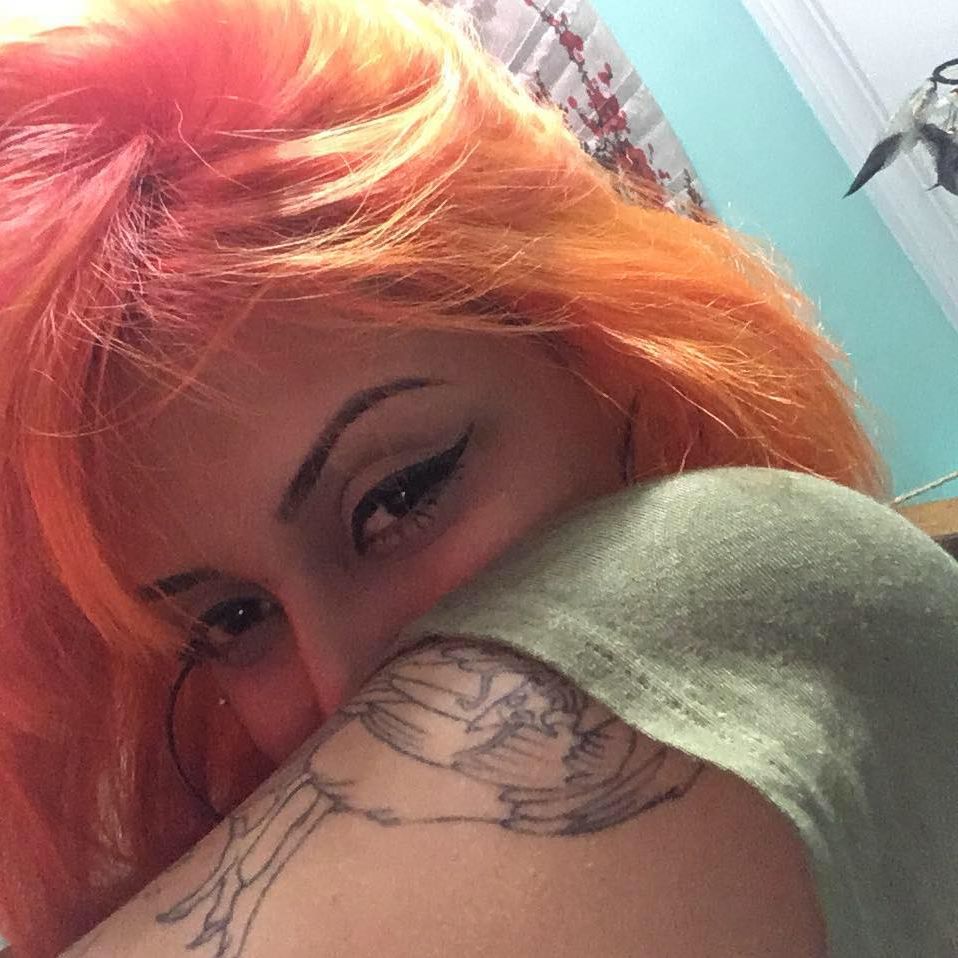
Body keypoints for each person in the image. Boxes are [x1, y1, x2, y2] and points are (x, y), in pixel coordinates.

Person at [5, 0, 952, 955]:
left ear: (603, 355)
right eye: (233, 619)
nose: (339, 686)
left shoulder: (788, 576)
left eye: (399, 497)